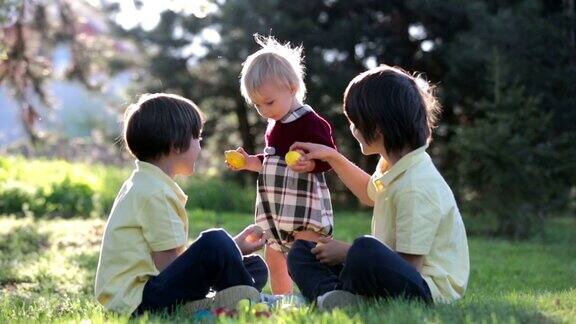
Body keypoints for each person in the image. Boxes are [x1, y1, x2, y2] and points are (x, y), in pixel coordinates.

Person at [287, 65, 470, 310]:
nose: (352, 129)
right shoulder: (397, 167)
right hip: (389, 273)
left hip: (426, 289)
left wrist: (347, 253)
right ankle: (333, 297)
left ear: (378, 128)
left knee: (364, 249)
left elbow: (410, 266)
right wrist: (332, 156)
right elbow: (369, 193)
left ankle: (341, 295)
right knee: (302, 251)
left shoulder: (417, 186)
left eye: (354, 122)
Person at [94, 93, 268, 315]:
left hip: (143, 296)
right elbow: (169, 265)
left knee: (254, 266)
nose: (199, 147)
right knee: (215, 240)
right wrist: (222, 249)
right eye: (198, 138)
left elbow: (179, 265)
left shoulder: (144, 183)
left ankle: (217, 304)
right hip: (141, 304)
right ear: (177, 144)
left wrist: (232, 250)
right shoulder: (155, 193)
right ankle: (250, 304)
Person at [227, 35, 337, 294]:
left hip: (303, 210)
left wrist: (310, 164)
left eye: (269, 102)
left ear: (291, 87)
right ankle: (282, 301)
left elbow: (329, 157)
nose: (264, 110)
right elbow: (272, 162)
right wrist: (249, 162)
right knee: (274, 256)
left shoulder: (310, 121)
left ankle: (323, 294)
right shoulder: (273, 125)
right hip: (276, 212)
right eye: (257, 105)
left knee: (306, 257)